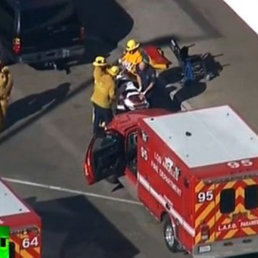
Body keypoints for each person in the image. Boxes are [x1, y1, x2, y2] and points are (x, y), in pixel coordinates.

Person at [91, 56, 119, 134]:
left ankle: (95, 132)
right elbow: (112, 95)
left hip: (95, 100)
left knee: (97, 118)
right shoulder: (111, 83)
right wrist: (114, 99)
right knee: (108, 119)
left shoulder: (101, 76)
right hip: (104, 104)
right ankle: (109, 133)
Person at [0, 66, 13, 131]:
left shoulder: (5, 71)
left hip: (2, 97)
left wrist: (6, 93)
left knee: (3, 107)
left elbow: (9, 83)